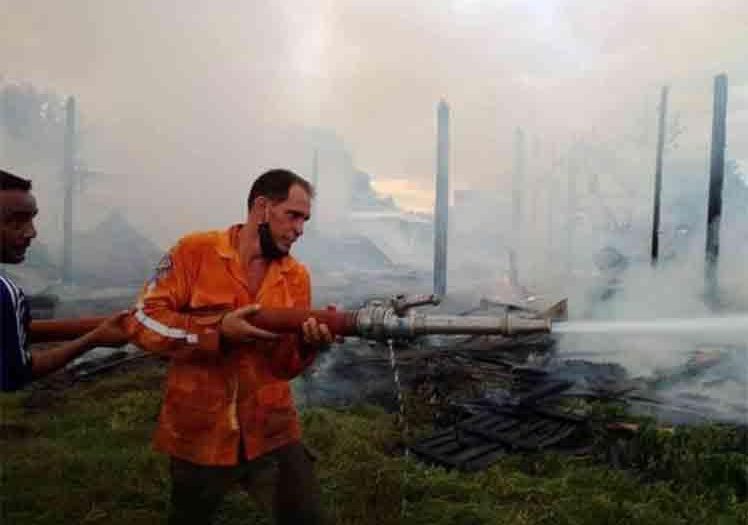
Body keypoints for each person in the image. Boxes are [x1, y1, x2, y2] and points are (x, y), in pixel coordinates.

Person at [126, 169, 333, 525]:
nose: (299, 229)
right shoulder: (195, 252)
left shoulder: (296, 276)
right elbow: (142, 320)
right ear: (262, 207)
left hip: (272, 430)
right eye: (293, 216)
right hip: (199, 432)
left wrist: (309, 346)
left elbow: (284, 368)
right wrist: (216, 331)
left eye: (305, 220)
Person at [0, 168, 130, 392]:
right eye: (16, 221)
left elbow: (14, 329)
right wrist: (93, 339)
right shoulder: (5, 293)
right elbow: (18, 372)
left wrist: (95, 327)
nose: (32, 232)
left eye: (31, 220)